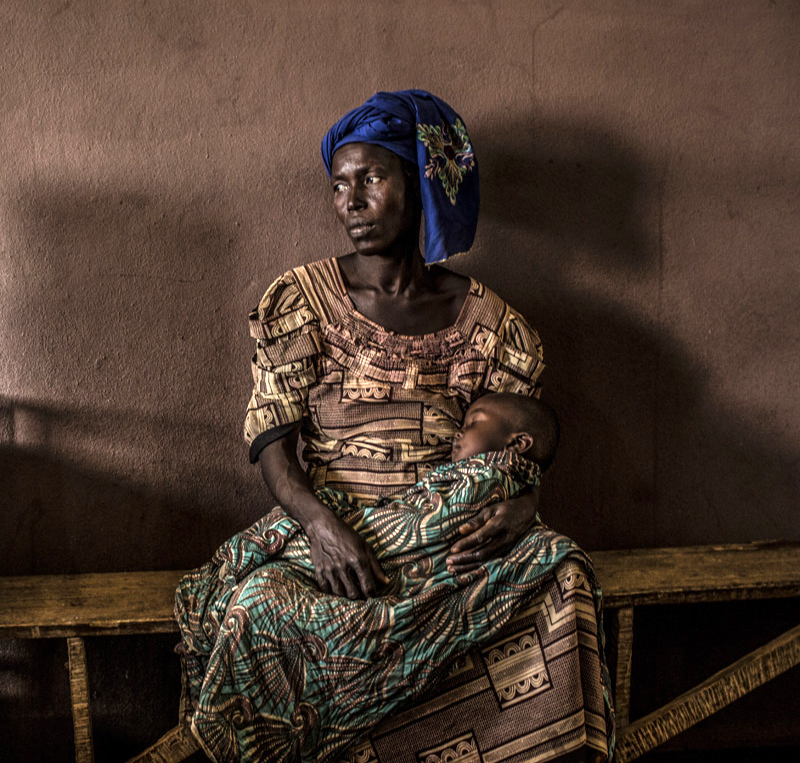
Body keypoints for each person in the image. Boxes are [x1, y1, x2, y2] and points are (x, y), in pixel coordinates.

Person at [176, 91, 613, 763]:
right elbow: (271, 441)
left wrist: (523, 506)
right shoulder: (303, 300)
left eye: (372, 179)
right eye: (339, 185)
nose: (350, 201)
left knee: (563, 575)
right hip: (335, 528)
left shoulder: (496, 327)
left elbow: (514, 452)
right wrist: (322, 529)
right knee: (258, 607)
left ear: (422, 185)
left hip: (448, 537)